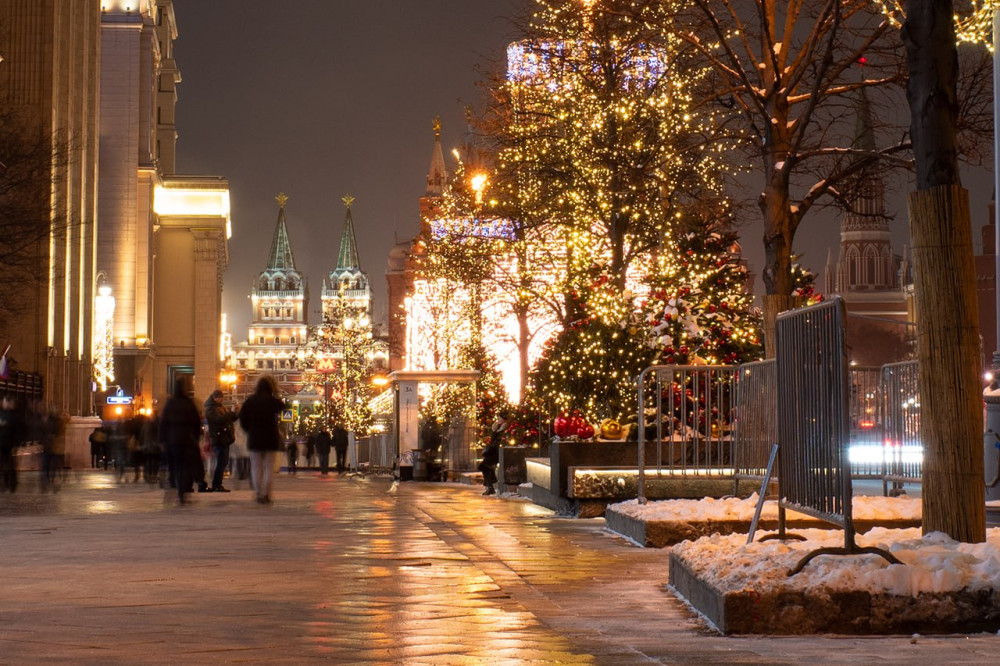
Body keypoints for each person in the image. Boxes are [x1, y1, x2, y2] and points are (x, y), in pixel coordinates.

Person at [239, 376, 284, 504]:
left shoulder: (250, 401)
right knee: (269, 468)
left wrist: (249, 430)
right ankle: (266, 494)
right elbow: (283, 406)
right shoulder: (272, 400)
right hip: (271, 439)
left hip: (254, 438)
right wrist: (276, 392)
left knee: (255, 467)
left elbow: (242, 419)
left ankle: (259, 493)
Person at [159, 377, 203, 505]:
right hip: (187, 440)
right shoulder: (189, 403)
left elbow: (164, 423)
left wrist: (163, 440)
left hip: (172, 441)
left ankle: (176, 486)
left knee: (175, 466)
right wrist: (196, 436)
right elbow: (196, 421)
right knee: (186, 466)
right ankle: (184, 490)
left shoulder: (170, 404)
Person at [204, 389, 237, 492]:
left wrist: (236, 412)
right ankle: (216, 484)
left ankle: (218, 484)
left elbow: (230, 419)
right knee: (221, 462)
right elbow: (219, 420)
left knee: (223, 462)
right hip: (218, 439)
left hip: (225, 439)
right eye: (221, 397)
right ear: (216, 397)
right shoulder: (210, 409)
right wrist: (231, 412)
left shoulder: (219, 407)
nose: (222, 399)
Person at [479, 411, 509, 496]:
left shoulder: (504, 429)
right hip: (493, 452)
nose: (498, 419)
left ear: (504, 419)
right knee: (484, 466)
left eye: (500, 418)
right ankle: (490, 485)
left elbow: (499, 442)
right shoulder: (496, 428)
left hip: (498, 452)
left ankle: (490, 485)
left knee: (485, 466)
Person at [0, 395, 25, 493]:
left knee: (10, 466)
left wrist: (16, 445)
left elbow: (19, 431)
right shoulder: (1, 414)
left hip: (10, 445)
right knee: (3, 465)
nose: (4, 404)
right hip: (2, 444)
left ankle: (12, 484)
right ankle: (5, 483)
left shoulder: (15, 416)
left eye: (6, 402)